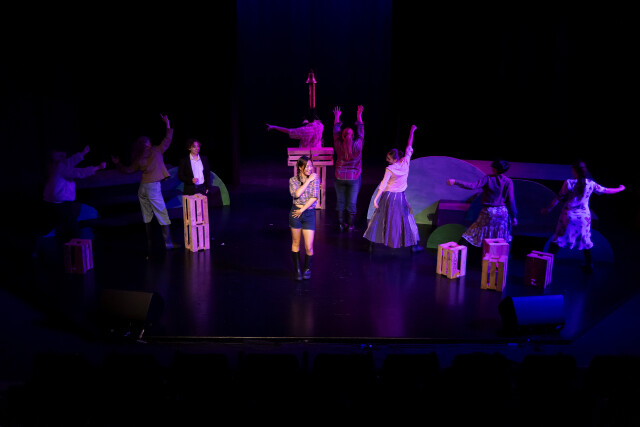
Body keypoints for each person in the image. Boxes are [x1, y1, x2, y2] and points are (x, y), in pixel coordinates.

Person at [111, 114, 177, 258]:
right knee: (163, 216)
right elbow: (167, 139)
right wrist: (167, 123)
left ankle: (150, 245)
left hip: (143, 188)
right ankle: (168, 244)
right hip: (153, 188)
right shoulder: (155, 150)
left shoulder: (139, 157)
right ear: (148, 143)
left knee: (147, 217)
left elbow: (128, 170)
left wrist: (117, 163)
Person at [541, 160, 625, 273]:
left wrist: (549, 209)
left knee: (557, 239)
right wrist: (620, 189)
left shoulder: (569, 183)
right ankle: (589, 265)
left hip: (568, 216)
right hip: (583, 218)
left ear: (574, 170)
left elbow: (559, 197)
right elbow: (606, 190)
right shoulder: (590, 183)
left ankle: (546, 266)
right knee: (585, 241)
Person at [363, 125, 423, 252]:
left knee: (380, 218)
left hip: (389, 197)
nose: (387, 160)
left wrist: (376, 199)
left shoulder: (390, 169)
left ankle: (371, 244)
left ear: (395, 159)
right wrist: (412, 131)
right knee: (405, 219)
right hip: (399, 197)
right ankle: (414, 246)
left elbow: (383, 184)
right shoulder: (406, 162)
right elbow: (409, 146)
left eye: (389, 159)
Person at [447, 159, 517, 247]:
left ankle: (460, 249)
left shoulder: (488, 178)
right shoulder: (508, 181)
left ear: (495, 168)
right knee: (498, 236)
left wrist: (455, 182)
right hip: (502, 213)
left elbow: (472, 186)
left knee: (473, 231)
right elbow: (511, 201)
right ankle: (495, 254)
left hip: (489, 212)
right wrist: (514, 216)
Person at [43, 145, 106, 243]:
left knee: (64, 222)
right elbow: (78, 172)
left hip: (55, 200)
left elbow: (70, 161)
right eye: (60, 155)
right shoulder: (60, 166)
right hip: (60, 200)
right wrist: (97, 168)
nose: (63, 156)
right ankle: (73, 242)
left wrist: (83, 153)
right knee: (69, 225)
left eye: (63, 154)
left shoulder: (56, 165)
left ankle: (67, 239)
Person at [333, 105, 364, 231]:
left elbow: (335, 132)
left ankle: (341, 224)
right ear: (353, 135)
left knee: (340, 201)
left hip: (340, 176)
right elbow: (361, 131)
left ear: (343, 136)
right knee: (351, 202)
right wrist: (359, 116)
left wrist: (337, 116)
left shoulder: (338, 144)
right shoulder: (358, 145)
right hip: (354, 178)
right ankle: (350, 225)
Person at [289, 155, 320, 280]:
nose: (310, 169)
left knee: (309, 246)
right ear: (300, 167)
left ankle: (307, 268)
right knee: (296, 242)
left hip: (308, 213)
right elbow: (296, 194)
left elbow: (314, 198)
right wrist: (307, 181)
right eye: (307, 166)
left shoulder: (315, 179)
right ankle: (297, 270)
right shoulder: (293, 180)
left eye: (311, 166)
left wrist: (302, 210)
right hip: (295, 213)